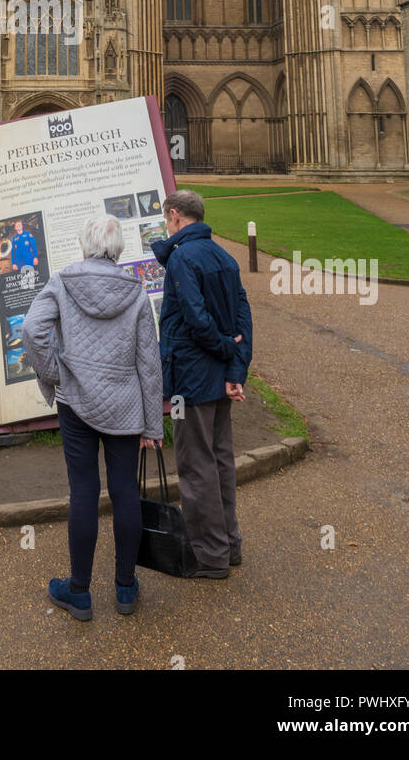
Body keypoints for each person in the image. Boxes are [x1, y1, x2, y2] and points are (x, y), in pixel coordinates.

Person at [22, 214, 164, 621]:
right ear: (117, 249)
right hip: (125, 406)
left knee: (83, 491)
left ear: (84, 245)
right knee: (125, 493)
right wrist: (153, 426)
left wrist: (53, 373)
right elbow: (148, 363)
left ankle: (80, 593)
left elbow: (32, 330)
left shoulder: (63, 280)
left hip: (75, 403)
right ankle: (124, 589)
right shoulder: (135, 292)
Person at [151, 190, 253, 579]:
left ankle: (210, 555)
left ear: (175, 216)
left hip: (187, 380)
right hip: (217, 378)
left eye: (166, 219)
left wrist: (225, 349)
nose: (166, 225)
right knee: (220, 458)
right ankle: (229, 544)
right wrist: (234, 368)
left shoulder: (181, 257)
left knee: (195, 465)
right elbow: (244, 317)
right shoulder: (224, 256)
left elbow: (195, 317)